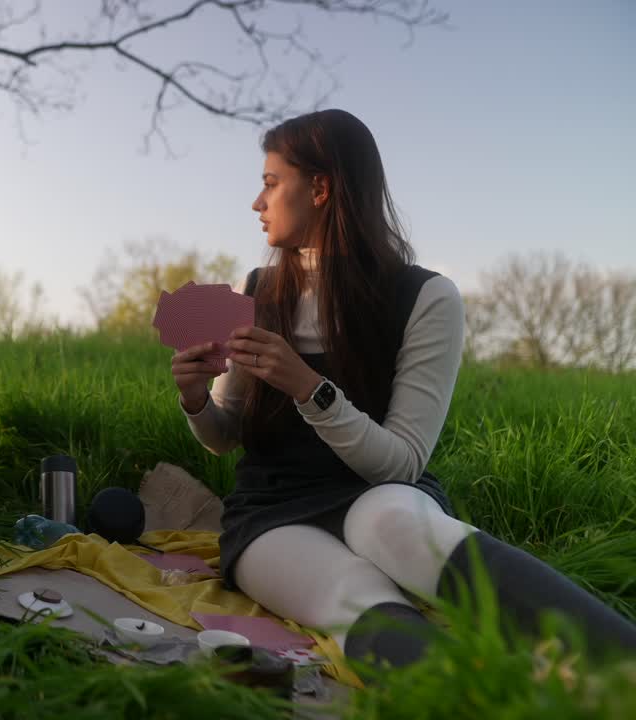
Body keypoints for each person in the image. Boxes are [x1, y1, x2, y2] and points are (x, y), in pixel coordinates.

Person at [169, 109, 635, 670]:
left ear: (320, 188)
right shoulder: (256, 289)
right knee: (351, 593)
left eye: (270, 183)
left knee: (397, 525)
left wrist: (311, 388)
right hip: (271, 513)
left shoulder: (427, 298)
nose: (256, 202)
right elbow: (225, 437)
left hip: (381, 492)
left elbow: (400, 465)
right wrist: (197, 400)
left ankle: (617, 668)